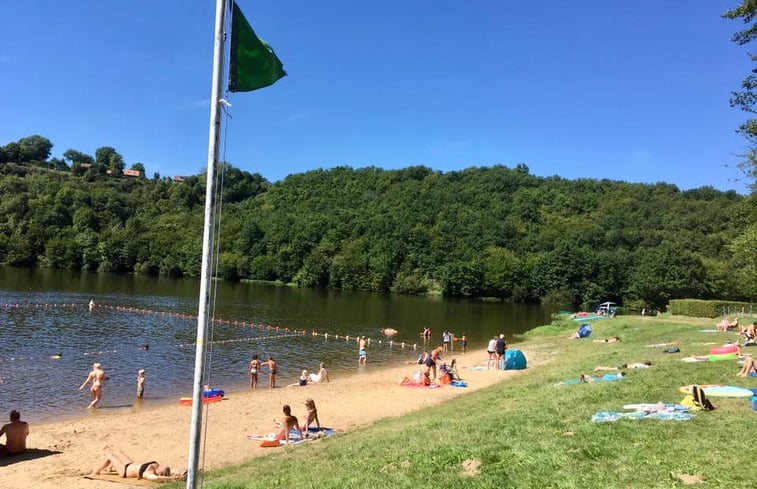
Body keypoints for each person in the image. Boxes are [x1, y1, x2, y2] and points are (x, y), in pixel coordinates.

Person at [91, 446, 186, 481]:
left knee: (110, 456)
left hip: (125, 471)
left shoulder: (148, 473)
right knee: (118, 452)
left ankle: (96, 472)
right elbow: (173, 471)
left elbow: (157, 478)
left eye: (161, 468)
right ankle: (109, 468)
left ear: (159, 473)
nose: (161, 466)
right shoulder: (158, 467)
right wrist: (179, 473)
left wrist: (172, 479)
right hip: (129, 464)